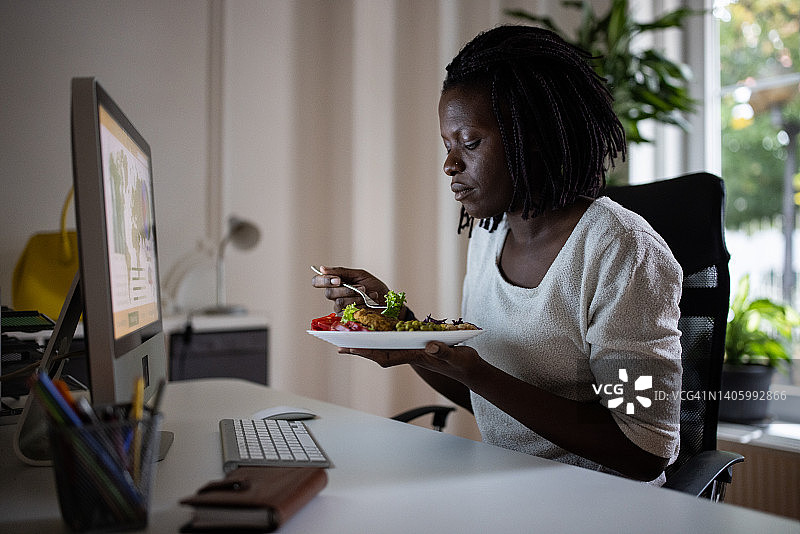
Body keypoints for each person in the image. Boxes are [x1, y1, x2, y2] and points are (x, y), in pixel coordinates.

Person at [312, 25, 682, 485]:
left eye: (470, 143)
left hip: (602, 503)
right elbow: (489, 398)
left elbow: (644, 449)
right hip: (507, 487)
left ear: (532, 136)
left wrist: (476, 372)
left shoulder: (621, 251)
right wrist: (398, 328)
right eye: (447, 146)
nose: (450, 164)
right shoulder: (490, 235)